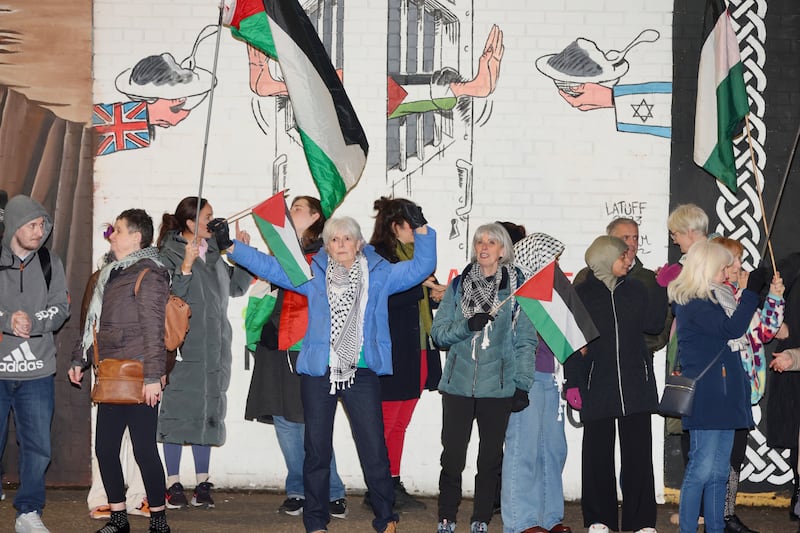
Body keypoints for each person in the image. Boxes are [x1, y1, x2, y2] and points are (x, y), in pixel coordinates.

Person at [217, 210, 436, 533]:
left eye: (347, 238)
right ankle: (316, 520)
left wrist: (421, 229)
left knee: (374, 448)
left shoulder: (380, 274)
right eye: (334, 239)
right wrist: (231, 245)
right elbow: (272, 268)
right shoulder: (314, 274)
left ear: (360, 243)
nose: (341, 243)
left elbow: (422, 267)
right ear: (327, 247)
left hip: (361, 373)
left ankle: (385, 517)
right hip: (320, 373)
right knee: (316, 450)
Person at [243, 196, 348, 518]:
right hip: (273, 345)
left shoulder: (325, 254)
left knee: (311, 422)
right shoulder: (281, 251)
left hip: (305, 345)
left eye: (299, 208)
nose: (291, 212)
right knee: (284, 421)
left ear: (316, 216)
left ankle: (331, 491)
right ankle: (298, 490)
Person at [68, 208, 171, 533]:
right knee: (105, 450)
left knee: (143, 450)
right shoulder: (111, 273)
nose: (113, 235)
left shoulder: (149, 273)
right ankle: (118, 519)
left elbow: (154, 329)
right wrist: (78, 359)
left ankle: (158, 521)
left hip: (140, 376)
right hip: (111, 374)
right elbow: (94, 325)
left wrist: (153, 377)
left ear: (136, 237)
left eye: (119, 230)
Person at [430, 222, 538, 533]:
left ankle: (480, 519)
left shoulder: (516, 290)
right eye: (480, 241)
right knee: (452, 457)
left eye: (492, 241)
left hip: (498, 389)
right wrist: (467, 326)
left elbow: (525, 341)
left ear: (503, 250)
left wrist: (522, 384)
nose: (484, 246)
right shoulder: (458, 286)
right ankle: (447, 518)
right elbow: (438, 335)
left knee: (489, 460)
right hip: (457, 387)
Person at [155, 197, 252, 509]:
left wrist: (245, 259)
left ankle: (202, 482)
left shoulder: (213, 254)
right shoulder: (168, 254)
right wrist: (184, 265)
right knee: (177, 411)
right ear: (190, 222)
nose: (214, 220)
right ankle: (172, 483)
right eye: (208, 216)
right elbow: (170, 298)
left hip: (215, 349)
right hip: (184, 348)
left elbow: (235, 288)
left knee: (207, 412)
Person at [564, 236, 664, 533]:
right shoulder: (580, 293)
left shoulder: (636, 289)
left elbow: (654, 325)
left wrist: (660, 289)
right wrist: (573, 382)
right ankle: (599, 519)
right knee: (597, 457)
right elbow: (572, 342)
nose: (628, 260)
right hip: (597, 384)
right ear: (605, 258)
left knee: (638, 456)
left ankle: (642, 522)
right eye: (622, 256)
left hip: (636, 383)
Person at [667, 240, 764, 533]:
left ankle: (714, 528)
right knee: (701, 468)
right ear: (708, 267)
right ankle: (687, 528)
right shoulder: (691, 302)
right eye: (724, 266)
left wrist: (750, 295)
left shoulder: (718, 297)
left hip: (725, 391)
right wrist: (750, 295)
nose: (729, 271)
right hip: (708, 395)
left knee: (720, 471)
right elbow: (731, 329)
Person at [367, 197, 445, 511]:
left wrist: (436, 292)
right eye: (410, 224)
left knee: (400, 424)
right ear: (393, 226)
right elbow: (381, 300)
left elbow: (427, 300)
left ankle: (392, 481)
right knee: (385, 424)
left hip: (418, 351)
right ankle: (379, 487)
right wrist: (422, 289)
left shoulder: (418, 256)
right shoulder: (376, 257)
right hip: (392, 351)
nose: (415, 231)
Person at [0, 195, 70, 533]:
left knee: (37, 446)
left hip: (38, 374)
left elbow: (61, 307)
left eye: (43, 224)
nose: (39, 231)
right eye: (32, 225)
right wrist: (6, 320)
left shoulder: (50, 262)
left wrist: (36, 322)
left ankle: (28, 512)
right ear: (14, 225)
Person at [711, 237, 784, 533]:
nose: (741, 266)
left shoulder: (742, 295)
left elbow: (765, 332)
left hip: (744, 391)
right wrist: (748, 294)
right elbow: (734, 329)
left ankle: (726, 514)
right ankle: (717, 516)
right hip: (724, 388)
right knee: (720, 455)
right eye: (736, 260)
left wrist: (775, 298)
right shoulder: (718, 296)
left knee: (735, 454)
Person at [501, 231, 572, 533]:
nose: (554, 265)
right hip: (524, 378)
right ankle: (521, 522)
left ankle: (549, 518)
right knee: (523, 451)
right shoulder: (512, 290)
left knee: (552, 450)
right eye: (549, 259)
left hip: (552, 378)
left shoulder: (554, 292)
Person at [80, 244, 149, 521]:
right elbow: (88, 323)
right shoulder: (99, 278)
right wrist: (84, 360)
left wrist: (162, 368)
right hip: (109, 368)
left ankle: (137, 497)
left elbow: (163, 325)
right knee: (107, 441)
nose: (114, 239)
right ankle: (101, 497)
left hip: (144, 369)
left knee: (140, 442)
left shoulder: (151, 275)